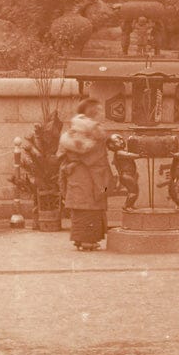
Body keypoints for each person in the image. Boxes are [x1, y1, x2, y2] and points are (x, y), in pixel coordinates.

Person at [59, 100, 115, 251]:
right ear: (93, 112)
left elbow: (65, 152)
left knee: (80, 207)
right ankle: (87, 241)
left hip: (75, 172)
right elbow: (95, 153)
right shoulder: (94, 130)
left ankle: (79, 239)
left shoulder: (74, 129)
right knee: (90, 207)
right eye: (99, 110)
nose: (102, 113)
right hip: (89, 174)